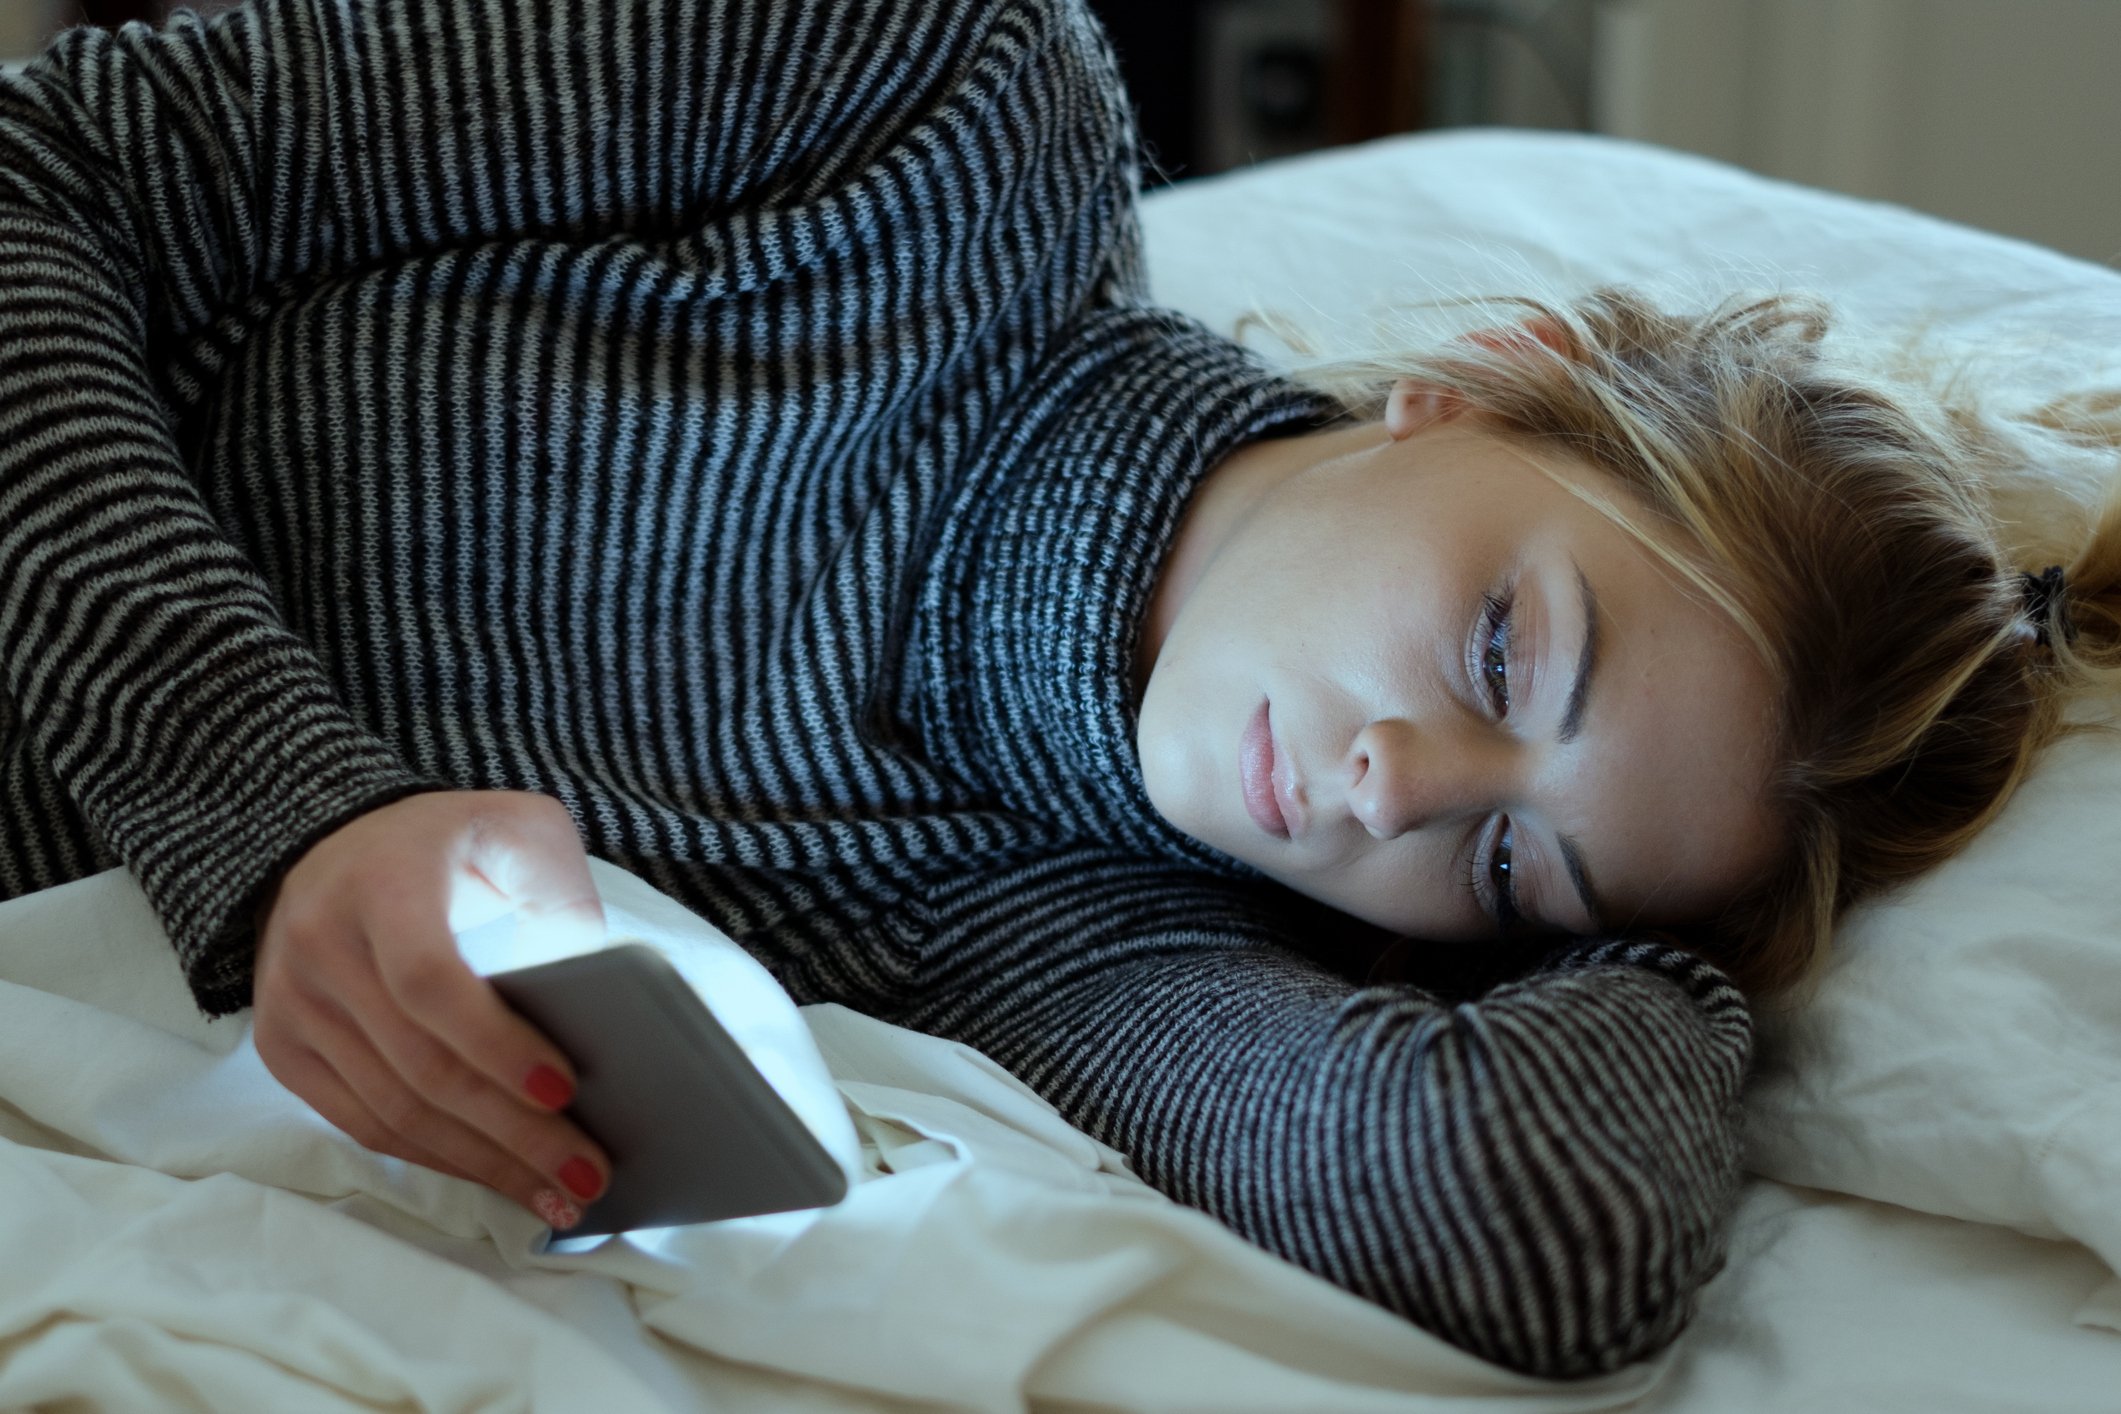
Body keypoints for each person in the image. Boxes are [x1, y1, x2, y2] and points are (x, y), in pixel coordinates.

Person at [0, 0, 2112, 1382]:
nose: (1388, 784)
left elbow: (1529, 1224)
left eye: (1504, 856)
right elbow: (40, 170)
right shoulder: (933, 104)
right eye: (1499, 648)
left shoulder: (1079, 937)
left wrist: (1665, 944)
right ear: (1489, 385)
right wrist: (282, 812)